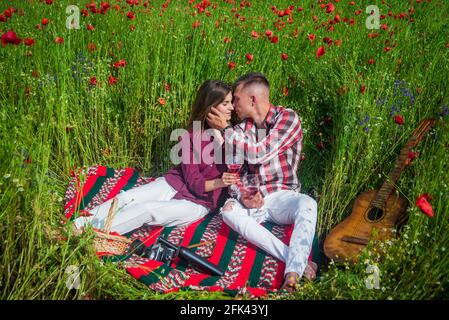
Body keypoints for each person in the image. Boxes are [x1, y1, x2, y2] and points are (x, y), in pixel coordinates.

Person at [73, 80, 240, 235]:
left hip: (198, 203)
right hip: (174, 183)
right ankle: (76, 226)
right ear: (210, 107)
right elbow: (193, 181)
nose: (231, 108)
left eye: (231, 103)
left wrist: (224, 132)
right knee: (125, 198)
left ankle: (88, 235)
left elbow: (242, 157)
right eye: (225, 103)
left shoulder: (236, 136)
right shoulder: (191, 135)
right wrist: (219, 182)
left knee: (148, 210)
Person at [206, 72, 318, 291]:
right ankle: (297, 259)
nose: (233, 105)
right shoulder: (240, 130)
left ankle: (292, 275)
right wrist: (242, 194)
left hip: (281, 196)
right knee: (228, 211)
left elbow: (260, 153)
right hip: (254, 199)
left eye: (236, 99)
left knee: (308, 204)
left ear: (253, 99)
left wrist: (226, 131)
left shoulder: (288, 118)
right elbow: (234, 171)